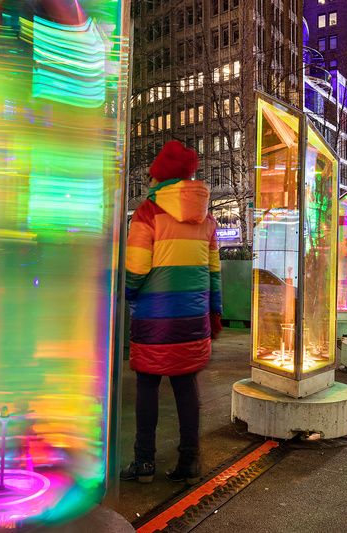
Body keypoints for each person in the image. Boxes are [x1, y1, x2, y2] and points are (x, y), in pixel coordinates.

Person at [121, 141, 222, 485]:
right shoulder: (207, 218)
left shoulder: (147, 213)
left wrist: (129, 296)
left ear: (159, 176)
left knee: (147, 386)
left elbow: (135, 270)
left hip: (155, 318)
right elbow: (213, 273)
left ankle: (144, 461)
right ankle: (189, 461)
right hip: (193, 319)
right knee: (185, 386)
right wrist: (214, 314)